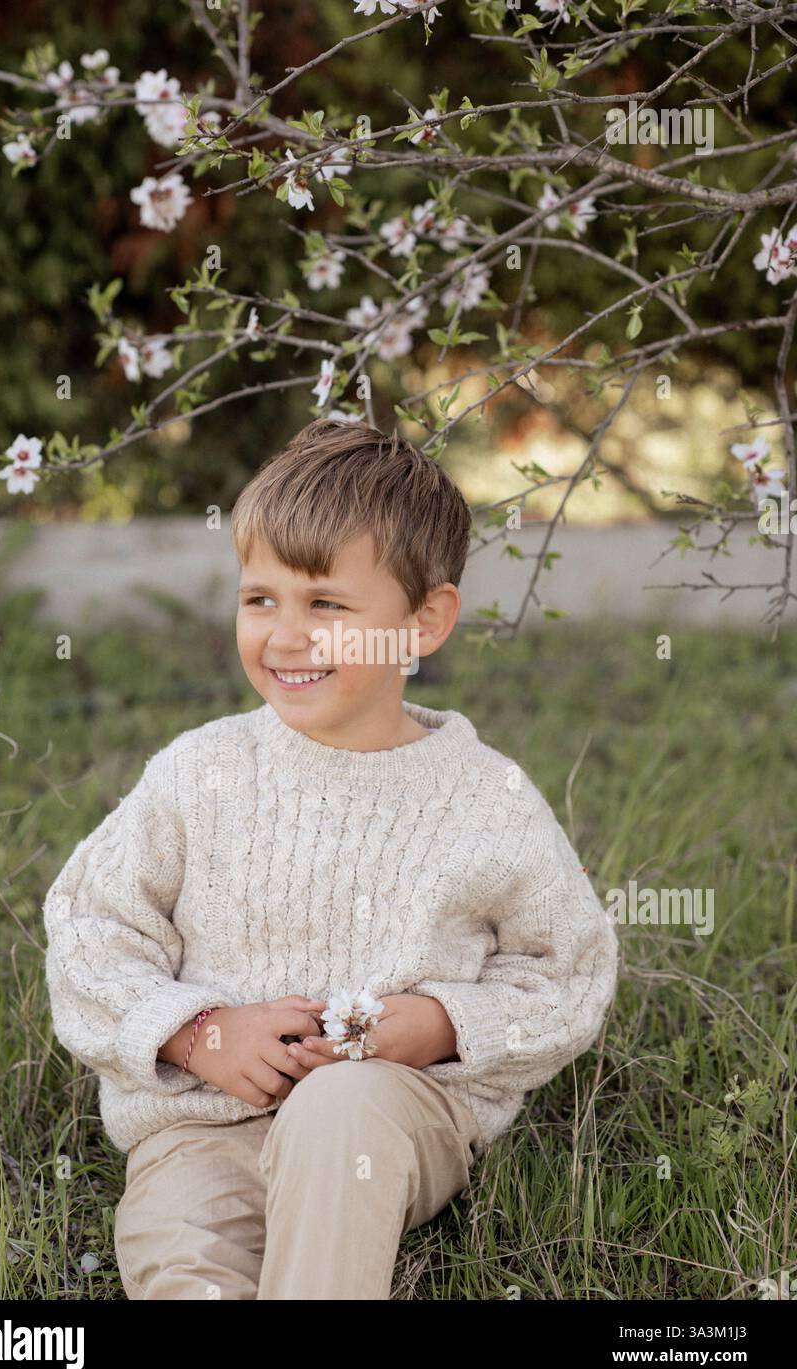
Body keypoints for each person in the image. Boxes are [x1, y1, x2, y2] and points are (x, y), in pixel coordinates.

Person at [42, 416, 620, 1300]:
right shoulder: (202, 773)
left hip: (389, 1116)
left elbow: (567, 971)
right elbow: (91, 930)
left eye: (327, 605)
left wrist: (436, 1023)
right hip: (204, 1127)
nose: (284, 637)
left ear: (424, 621)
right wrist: (198, 1032)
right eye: (260, 599)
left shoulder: (484, 799)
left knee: (339, 1108)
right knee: (181, 1249)